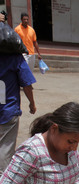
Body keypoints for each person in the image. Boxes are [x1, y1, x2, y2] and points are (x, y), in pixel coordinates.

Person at [0, 15, 37, 174]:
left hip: (7, 108)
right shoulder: (16, 58)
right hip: (9, 110)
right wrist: (32, 103)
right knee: (5, 146)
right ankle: (3, 179)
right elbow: (27, 84)